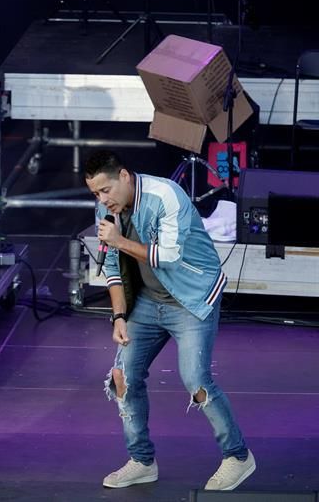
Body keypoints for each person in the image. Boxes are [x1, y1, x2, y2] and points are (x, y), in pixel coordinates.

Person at [84, 150, 256, 491]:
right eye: (95, 194)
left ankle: (237, 456)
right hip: (148, 301)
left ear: (124, 176)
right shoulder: (108, 210)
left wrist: (118, 239)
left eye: (106, 190)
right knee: (123, 377)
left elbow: (168, 256)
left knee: (197, 380)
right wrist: (119, 315)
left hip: (190, 297)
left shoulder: (166, 195)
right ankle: (142, 460)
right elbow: (114, 268)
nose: (103, 200)